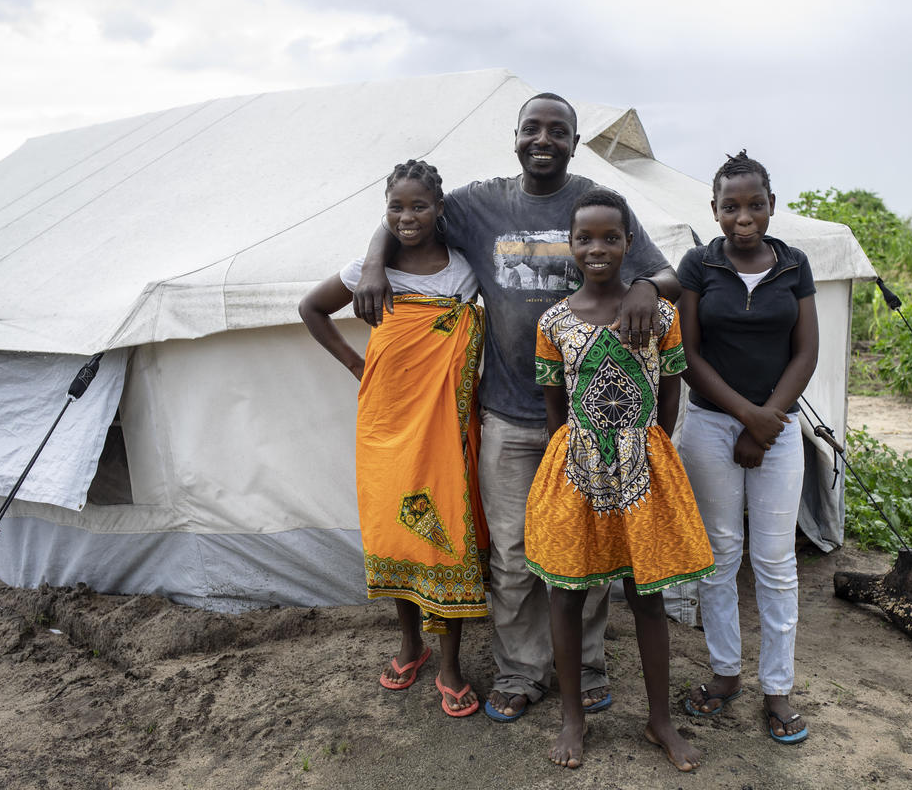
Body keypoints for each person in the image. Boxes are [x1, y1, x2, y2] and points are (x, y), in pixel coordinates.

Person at [351, 93, 680, 722]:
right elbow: (408, 214)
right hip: (506, 414)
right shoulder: (480, 203)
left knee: (587, 549)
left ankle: (586, 667)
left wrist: (644, 284)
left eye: (558, 131)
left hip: (589, 422)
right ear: (516, 135)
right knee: (511, 553)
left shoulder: (596, 201)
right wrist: (372, 265)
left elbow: (664, 273)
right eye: (533, 128)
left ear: (574, 142)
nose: (543, 140)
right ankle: (521, 670)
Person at [525, 189, 713, 771]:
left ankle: (660, 720)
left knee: (647, 595)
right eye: (585, 238)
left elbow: (671, 396)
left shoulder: (660, 316)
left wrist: (644, 451)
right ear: (571, 245)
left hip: (643, 469)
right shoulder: (553, 322)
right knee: (567, 594)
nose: (597, 248)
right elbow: (556, 409)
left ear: (630, 243)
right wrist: (577, 458)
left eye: (611, 237)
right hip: (576, 469)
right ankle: (573, 718)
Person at [298, 159, 488, 718]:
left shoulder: (465, 268)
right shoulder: (367, 271)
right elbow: (311, 308)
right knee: (395, 532)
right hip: (386, 422)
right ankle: (410, 644)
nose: (407, 216)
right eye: (396, 207)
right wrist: (358, 367)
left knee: (444, 531)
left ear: (439, 209)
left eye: (419, 206)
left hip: (445, 421)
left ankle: (450, 664)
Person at [676, 152, 819, 744]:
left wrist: (766, 424)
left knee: (776, 561)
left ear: (771, 205)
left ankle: (778, 687)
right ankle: (726, 672)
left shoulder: (795, 264)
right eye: (730, 206)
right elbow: (688, 355)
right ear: (714, 209)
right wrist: (745, 418)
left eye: (755, 204)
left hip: (778, 429)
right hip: (711, 426)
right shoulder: (698, 264)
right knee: (720, 553)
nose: (744, 217)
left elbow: (806, 352)